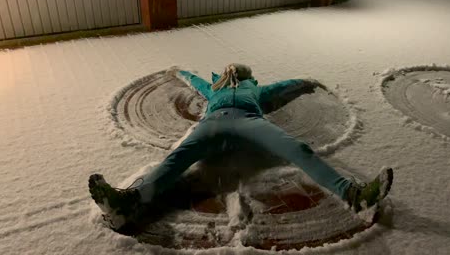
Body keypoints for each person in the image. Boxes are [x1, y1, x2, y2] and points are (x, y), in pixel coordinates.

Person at [89, 64, 393, 230]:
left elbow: (282, 87)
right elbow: (196, 81)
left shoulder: (254, 90)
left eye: (236, 73)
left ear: (246, 77)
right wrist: (179, 72)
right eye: (229, 72)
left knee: (298, 149)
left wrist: (304, 81)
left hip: (250, 122)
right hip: (212, 124)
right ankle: (124, 204)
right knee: (176, 161)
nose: (231, 75)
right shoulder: (214, 89)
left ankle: (355, 196)